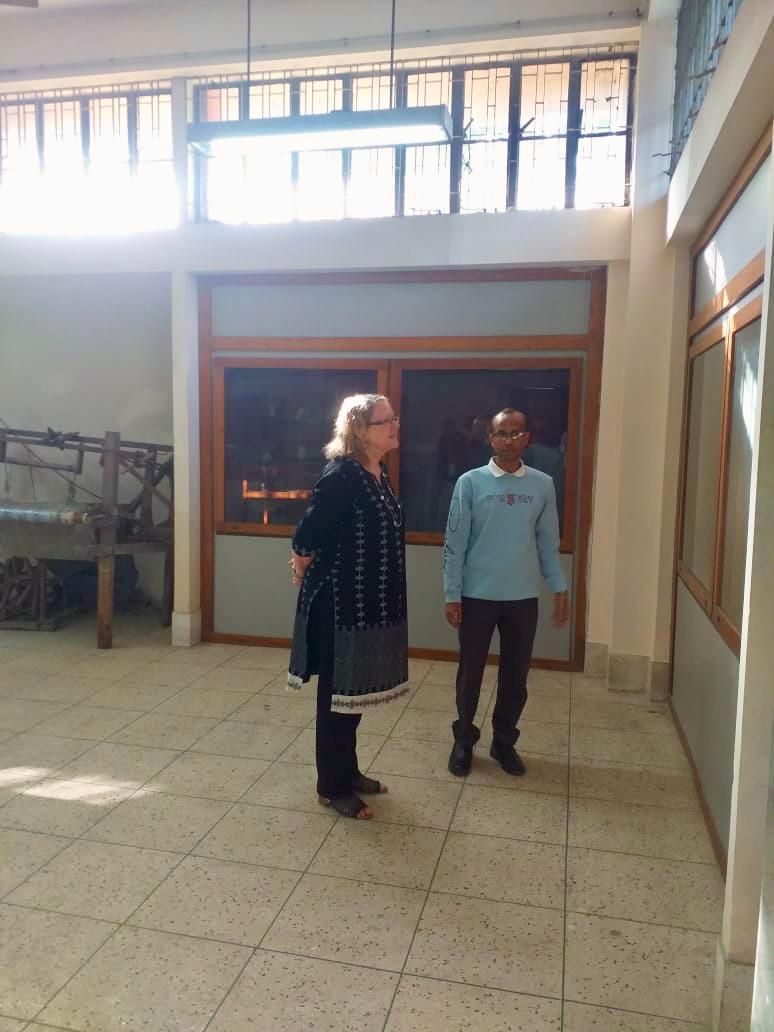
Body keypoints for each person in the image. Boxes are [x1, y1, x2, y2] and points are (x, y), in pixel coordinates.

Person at [287, 394, 409, 819]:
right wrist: (301, 564)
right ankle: (332, 786)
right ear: (359, 430)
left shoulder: (377, 471)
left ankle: (349, 770)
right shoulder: (341, 475)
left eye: (394, 418)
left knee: (353, 695)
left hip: (368, 605)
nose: (394, 425)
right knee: (336, 696)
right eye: (385, 421)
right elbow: (307, 534)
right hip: (339, 605)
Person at [443, 407, 569, 778]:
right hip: (476, 596)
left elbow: (548, 542)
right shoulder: (470, 483)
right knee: (470, 673)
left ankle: (503, 742)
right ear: (490, 439)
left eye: (515, 433)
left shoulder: (542, 485)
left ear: (526, 438)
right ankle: (464, 740)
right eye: (501, 433)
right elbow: (455, 542)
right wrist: (452, 593)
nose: (508, 440)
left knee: (516, 676)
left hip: (522, 598)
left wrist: (558, 586)